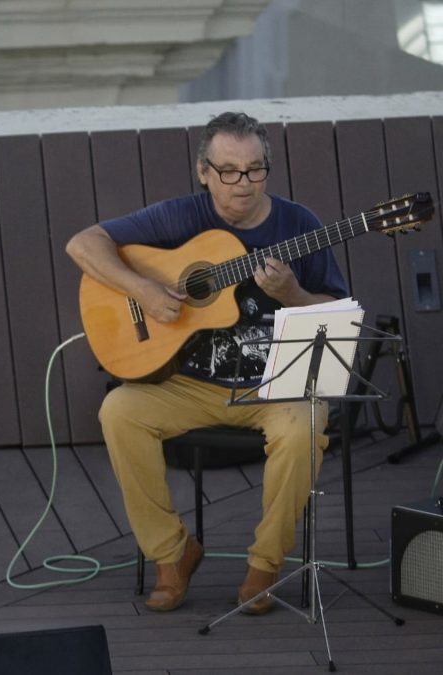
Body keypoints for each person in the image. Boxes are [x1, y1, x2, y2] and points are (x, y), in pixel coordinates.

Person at [66, 111, 348, 614]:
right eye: (229, 171)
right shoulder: (181, 218)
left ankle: (265, 564)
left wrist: (295, 294)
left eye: (255, 170)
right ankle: (173, 554)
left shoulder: (299, 225)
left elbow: (338, 311)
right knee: (119, 412)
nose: (243, 184)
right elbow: (83, 244)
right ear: (203, 172)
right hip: (188, 384)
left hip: (274, 386)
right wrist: (144, 290)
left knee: (305, 423)